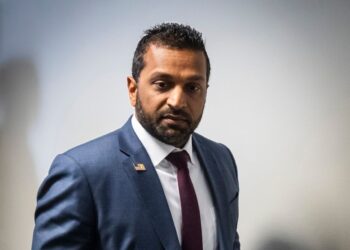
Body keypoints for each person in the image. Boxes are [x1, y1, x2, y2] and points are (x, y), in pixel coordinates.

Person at [32, 23, 240, 250]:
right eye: (163, 84)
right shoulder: (82, 173)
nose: (177, 101)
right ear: (133, 89)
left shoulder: (221, 160)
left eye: (192, 87)